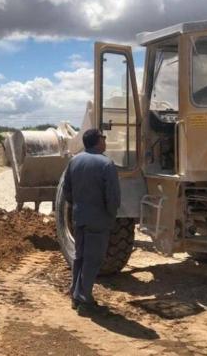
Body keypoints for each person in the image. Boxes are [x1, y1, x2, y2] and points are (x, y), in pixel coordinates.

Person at [63, 128, 121, 315]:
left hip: (79, 218)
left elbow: (67, 191)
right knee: (93, 260)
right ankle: (84, 300)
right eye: (103, 138)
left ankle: (76, 294)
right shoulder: (107, 164)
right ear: (97, 142)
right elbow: (112, 196)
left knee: (80, 257)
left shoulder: (75, 161)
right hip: (99, 219)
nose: (105, 141)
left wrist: (79, 207)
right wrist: (111, 215)